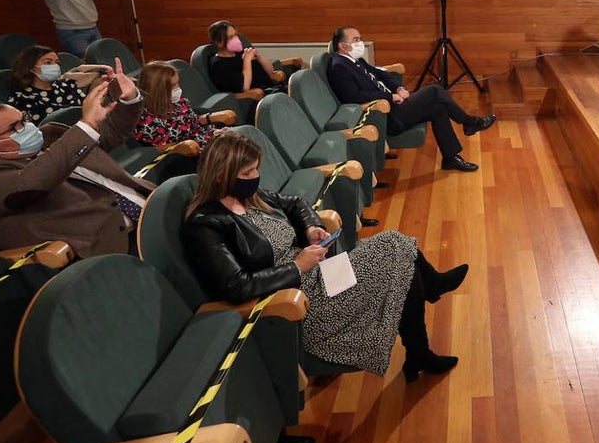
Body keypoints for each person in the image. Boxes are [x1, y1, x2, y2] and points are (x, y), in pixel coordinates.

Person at [181, 132, 467, 381]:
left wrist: (311, 226)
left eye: (256, 169)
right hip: (299, 297)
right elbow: (236, 285)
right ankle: (423, 339)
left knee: (396, 248)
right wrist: (297, 266)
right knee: (402, 265)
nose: (255, 177)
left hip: (315, 273)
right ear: (221, 174)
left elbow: (294, 202)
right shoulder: (206, 223)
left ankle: (421, 345)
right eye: (247, 173)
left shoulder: (249, 197)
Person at [0, 60, 150, 257]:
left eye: (25, 119)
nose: (28, 128)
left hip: (150, 207)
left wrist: (129, 98)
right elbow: (32, 182)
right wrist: (87, 124)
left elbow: (110, 133)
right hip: (116, 244)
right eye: (16, 127)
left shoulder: (50, 136)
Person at [328, 27, 495, 172]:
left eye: (360, 39)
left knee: (438, 108)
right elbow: (353, 97)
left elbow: (384, 74)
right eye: (356, 40)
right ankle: (469, 122)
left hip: (395, 105)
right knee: (435, 90)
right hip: (385, 116)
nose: (360, 43)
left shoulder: (356, 60)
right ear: (343, 46)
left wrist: (399, 88)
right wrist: (390, 97)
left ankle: (450, 158)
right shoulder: (339, 67)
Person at [134, 61, 236, 154]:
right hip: (192, 153)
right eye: (173, 85)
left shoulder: (180, 103)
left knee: (245, 134)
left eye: (177, 83)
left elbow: (194, 123)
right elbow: (159, 149)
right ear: (158, 89)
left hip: (208, 137)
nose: (178, 88)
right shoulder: (145, 118)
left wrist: (216, 132)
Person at [7, 45, 111, 123]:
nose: (55, 66)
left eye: (56, 62)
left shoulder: (66, 85)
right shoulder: (22, 98)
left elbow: (89, 109)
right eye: (48, 63)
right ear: (31, 67)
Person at [206, 20, 288, 95]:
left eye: (236, 35)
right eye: (231, 37)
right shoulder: (218, 64)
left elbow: (271, 73)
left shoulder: (240, 53)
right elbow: (244, 87)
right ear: (219, 43)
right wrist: (247, 61)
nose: (236, 39)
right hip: (260, 98)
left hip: (273, 89)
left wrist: (259, 57)